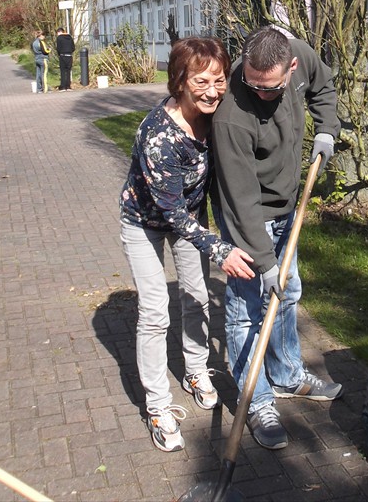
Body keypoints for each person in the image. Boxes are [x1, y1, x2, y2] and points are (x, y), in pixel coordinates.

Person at [119, 36, 255, 452]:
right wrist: (220, 250)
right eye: (201, 81)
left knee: (195, 297)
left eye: (219, 80)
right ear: (179, 80)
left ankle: (196, 371)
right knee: (156, 311)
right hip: (144, 222)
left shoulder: (216, 116)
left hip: (188, 220)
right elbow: (171, 210)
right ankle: (158, 406)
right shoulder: (159, 136)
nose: (212, 90)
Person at [210, 25, 341, 450]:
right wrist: (263, 262)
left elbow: (324, 85)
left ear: (291, 67)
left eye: (271, 88)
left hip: (288, 205)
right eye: (253, 84)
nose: (261, 95)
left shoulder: (299, 56)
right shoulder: (232, 112)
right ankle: (257, 400)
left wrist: (328, 127)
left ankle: (286, 375)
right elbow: (241, 198)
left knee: (288, 293)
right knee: (247, 310)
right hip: (248, 213)